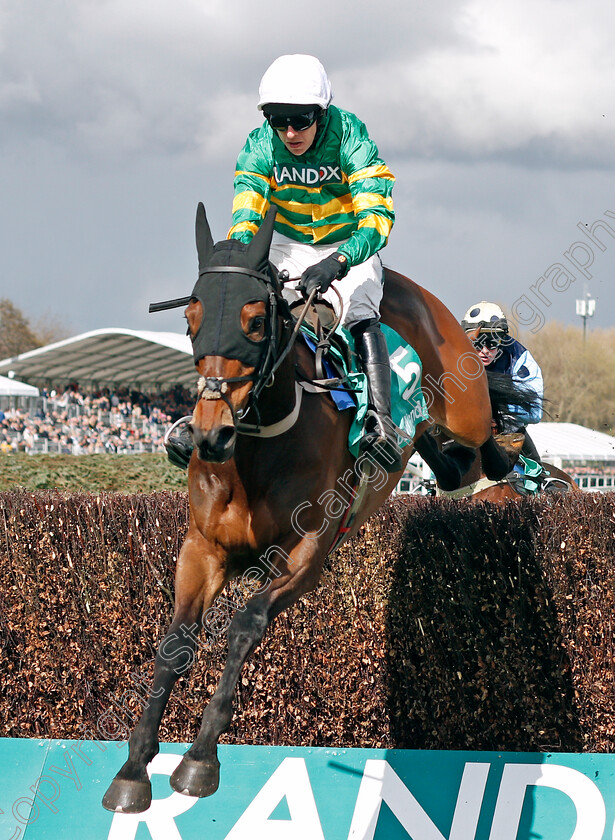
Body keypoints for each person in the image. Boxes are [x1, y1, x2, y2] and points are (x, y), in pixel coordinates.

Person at [222, 53, 401, 471]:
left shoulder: (351, 135)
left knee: (359, 308)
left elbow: (377, 217)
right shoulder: (259, 145)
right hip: (287, 242)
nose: (289, 132)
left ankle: (380, 421)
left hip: (348, 241)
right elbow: (246, 214)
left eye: (300, 120)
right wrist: (241, 256)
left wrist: (338, 262)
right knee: (247, 305)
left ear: (321, 112)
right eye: (278, 120)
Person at [461, 300, 544, 463]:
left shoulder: (520, 359)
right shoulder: (455, 355)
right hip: (465, 427)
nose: (485, 351)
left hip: (506, 428)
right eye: (477, 344)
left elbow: (535, 412)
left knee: (536, 470)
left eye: (492, 344)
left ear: (502, 340)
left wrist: (496, 410)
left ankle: (540, 480)